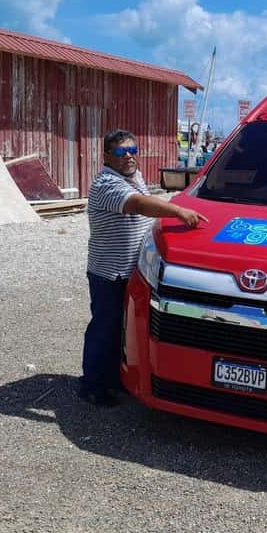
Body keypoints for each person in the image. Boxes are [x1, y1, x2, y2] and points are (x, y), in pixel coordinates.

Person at [79, 129, 207, 406]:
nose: (128, 156)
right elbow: (138, 204)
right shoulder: (106, 184)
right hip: (109, 273)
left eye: (132, 151)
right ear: (106, 157)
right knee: (105, 328)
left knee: (124, 329)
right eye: (120, 152)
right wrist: (178, 211)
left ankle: (114, 379)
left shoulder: (134, 177)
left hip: (132, 271)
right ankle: (92, 385)